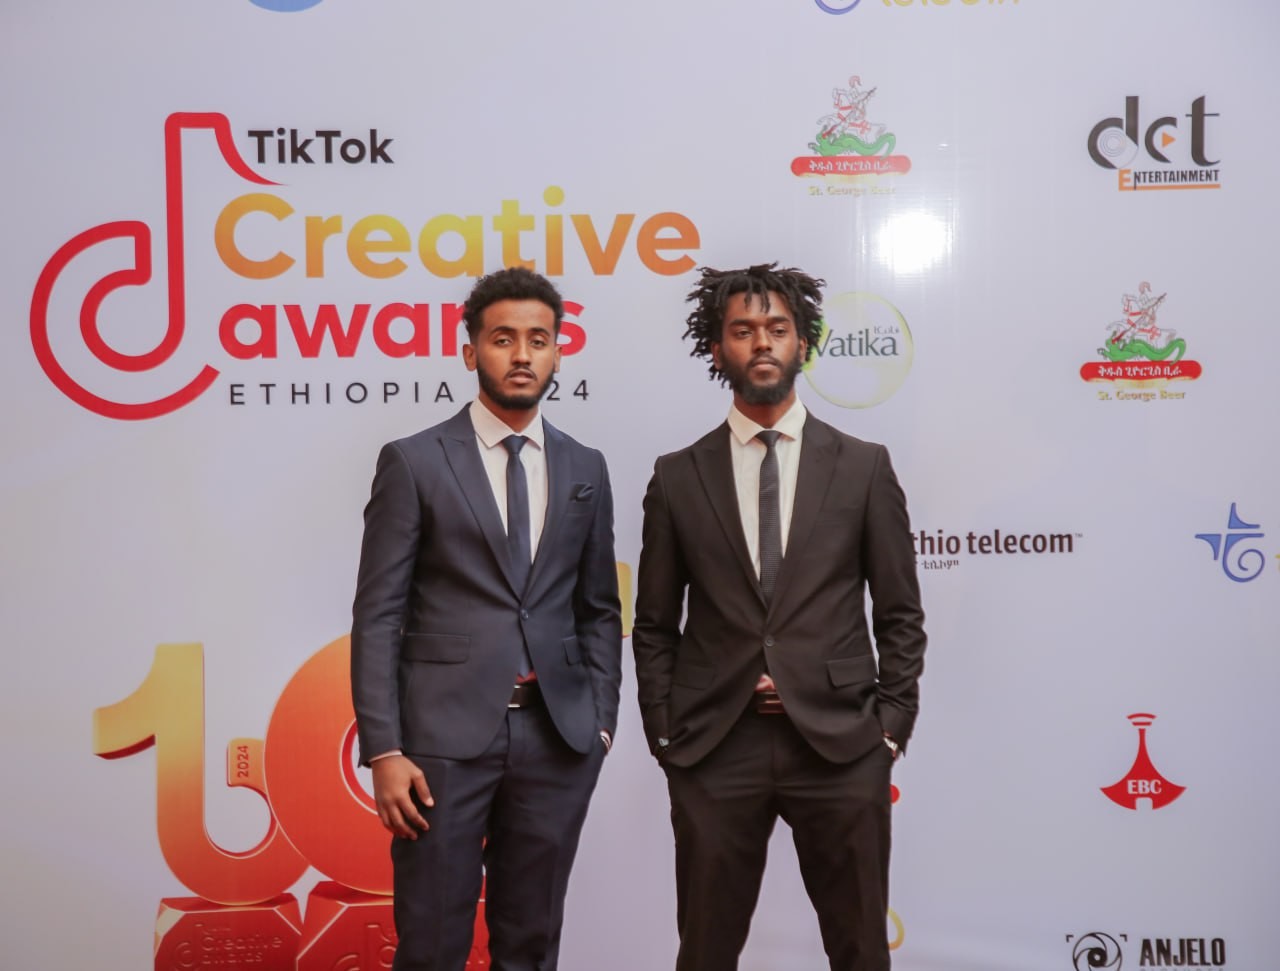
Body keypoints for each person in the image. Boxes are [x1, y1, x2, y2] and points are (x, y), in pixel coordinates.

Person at [632, 263, 927, 971]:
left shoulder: (863, 467)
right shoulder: (677, 475)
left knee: (860, 948)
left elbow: (899, 612)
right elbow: (653, 624)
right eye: (742, 330)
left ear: (803, 343)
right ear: (717, 349)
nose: (761, 342)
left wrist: (888, 728)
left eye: (777, 328)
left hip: (840, 744)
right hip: (715, 745)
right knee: (705, 951)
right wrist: (667, 732)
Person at [351, 266, 622, 971]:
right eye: (504, 339)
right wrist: (384, 749)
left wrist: (599, 721)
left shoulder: (585, 466)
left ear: (559, 351)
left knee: (530, 945)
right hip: (438, 743)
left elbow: (598, 607)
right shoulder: (414, 461)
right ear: (471, 350)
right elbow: (378, 614)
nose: (522, 354)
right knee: (433, 946)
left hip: (557, 737)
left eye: (539, 339)